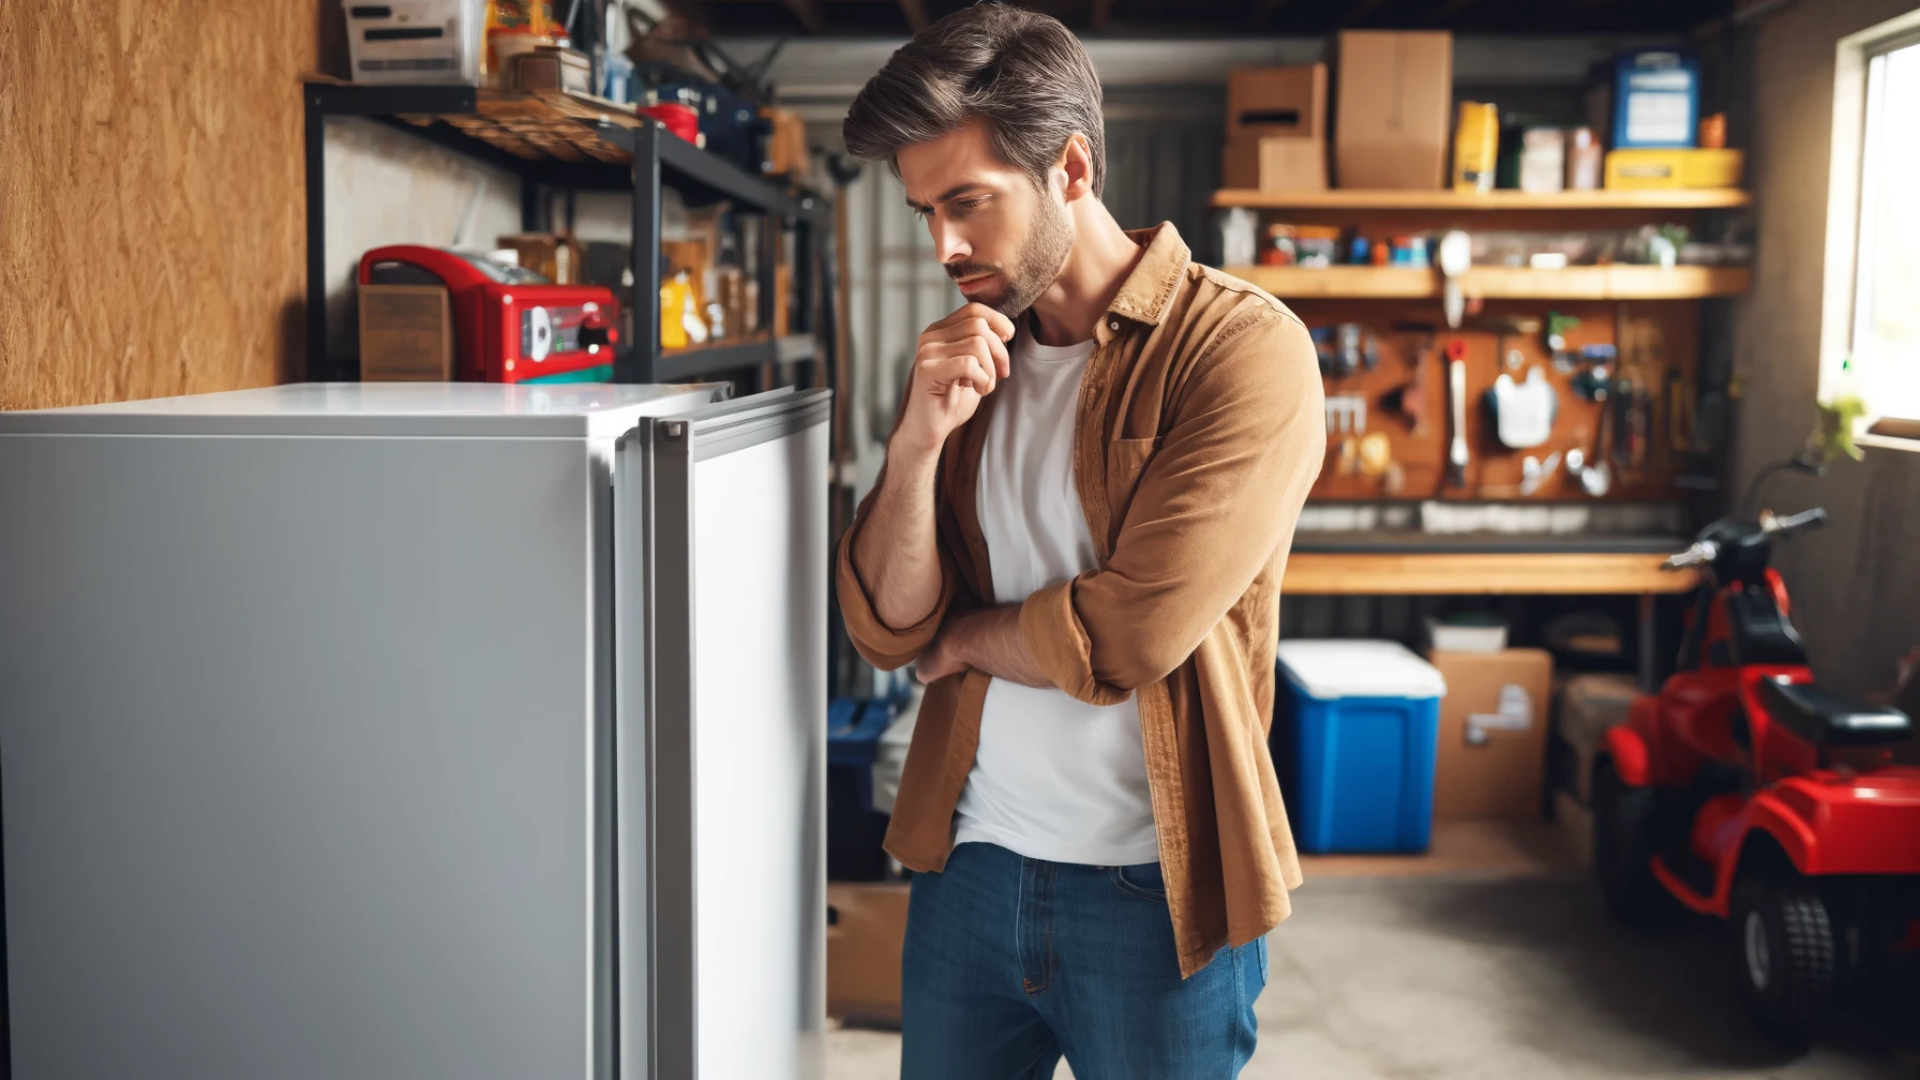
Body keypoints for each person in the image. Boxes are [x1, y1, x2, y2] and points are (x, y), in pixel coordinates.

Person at [836, 5, 1324, 1076]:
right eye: (924, 211)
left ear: (1070, 167)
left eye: (968, 202)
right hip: (969, 866)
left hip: (1157, 897)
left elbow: (1135, 629)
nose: (943, 247)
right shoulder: (970, 357)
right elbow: (887, 622)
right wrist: (916, 445)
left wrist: (968, 643)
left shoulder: (1241, 352)